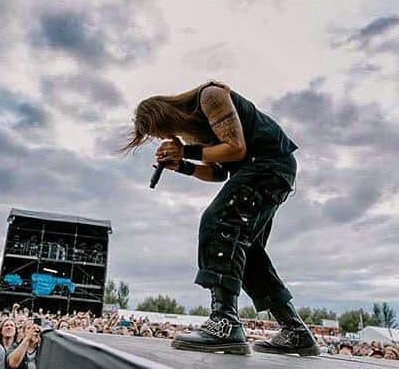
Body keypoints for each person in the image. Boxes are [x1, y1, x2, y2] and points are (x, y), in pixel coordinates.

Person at [124, 80, 318, 356]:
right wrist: (181, 165)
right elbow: (219, 173)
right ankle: (295, 330)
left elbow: (235, 148)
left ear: (165, 115)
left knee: (217, 223)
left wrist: (185, 152)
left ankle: (225, 322)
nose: (165, 136)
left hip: (269, 163)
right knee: (246, 250)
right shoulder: (193, 134)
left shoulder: (210, 97)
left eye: (161, 131)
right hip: (260, 169)